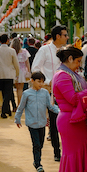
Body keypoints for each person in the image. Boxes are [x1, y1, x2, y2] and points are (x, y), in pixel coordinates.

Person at [49, 46, 87, 172]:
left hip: (74, 120)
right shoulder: (63, 75)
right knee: (75, 160)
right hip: (70, 121)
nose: (78, 64)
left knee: (79, 159)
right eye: (77, 61)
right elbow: (72, 98)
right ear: (69, 59)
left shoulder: (67, 74)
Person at [31, 25, 68, 162]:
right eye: (65, 35)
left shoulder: (66, 51)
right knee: (53, 121)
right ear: (57, 36)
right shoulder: (45, 50)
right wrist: (47, 81)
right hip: (50, 91)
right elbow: (35, 68)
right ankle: (56, 151)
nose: (67, 37)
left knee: (65, 121)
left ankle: (65, 149)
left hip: (65, 90)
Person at [15, 71, 59, 172]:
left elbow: (50, 106)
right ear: (32, 81)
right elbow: (21, 107)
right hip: (32, 124)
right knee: (36, 144)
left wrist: (61, 111)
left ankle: (36, 160)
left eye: (42, 82)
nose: (41, 84)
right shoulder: (26, 94)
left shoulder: (45, 93)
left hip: (42, 123)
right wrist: (17, 118)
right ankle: (38, 164)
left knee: (41, 144)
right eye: (39, 81)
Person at [0, 33, 19, 118]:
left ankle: (0, 107)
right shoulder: (12, 51)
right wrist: (17, 73)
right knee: (8, 92)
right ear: (8, 40)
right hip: (9, 74)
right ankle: (5, 109)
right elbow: (16, 64)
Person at [12, 37, 30, 107]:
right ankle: (20, 104)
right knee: (21, 89)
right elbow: (27, 63)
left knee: (17, 89)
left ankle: (18, 104)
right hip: (22, 71)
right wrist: (28, 71)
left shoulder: (12, 52)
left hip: (14, 71)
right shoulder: (24, 52)